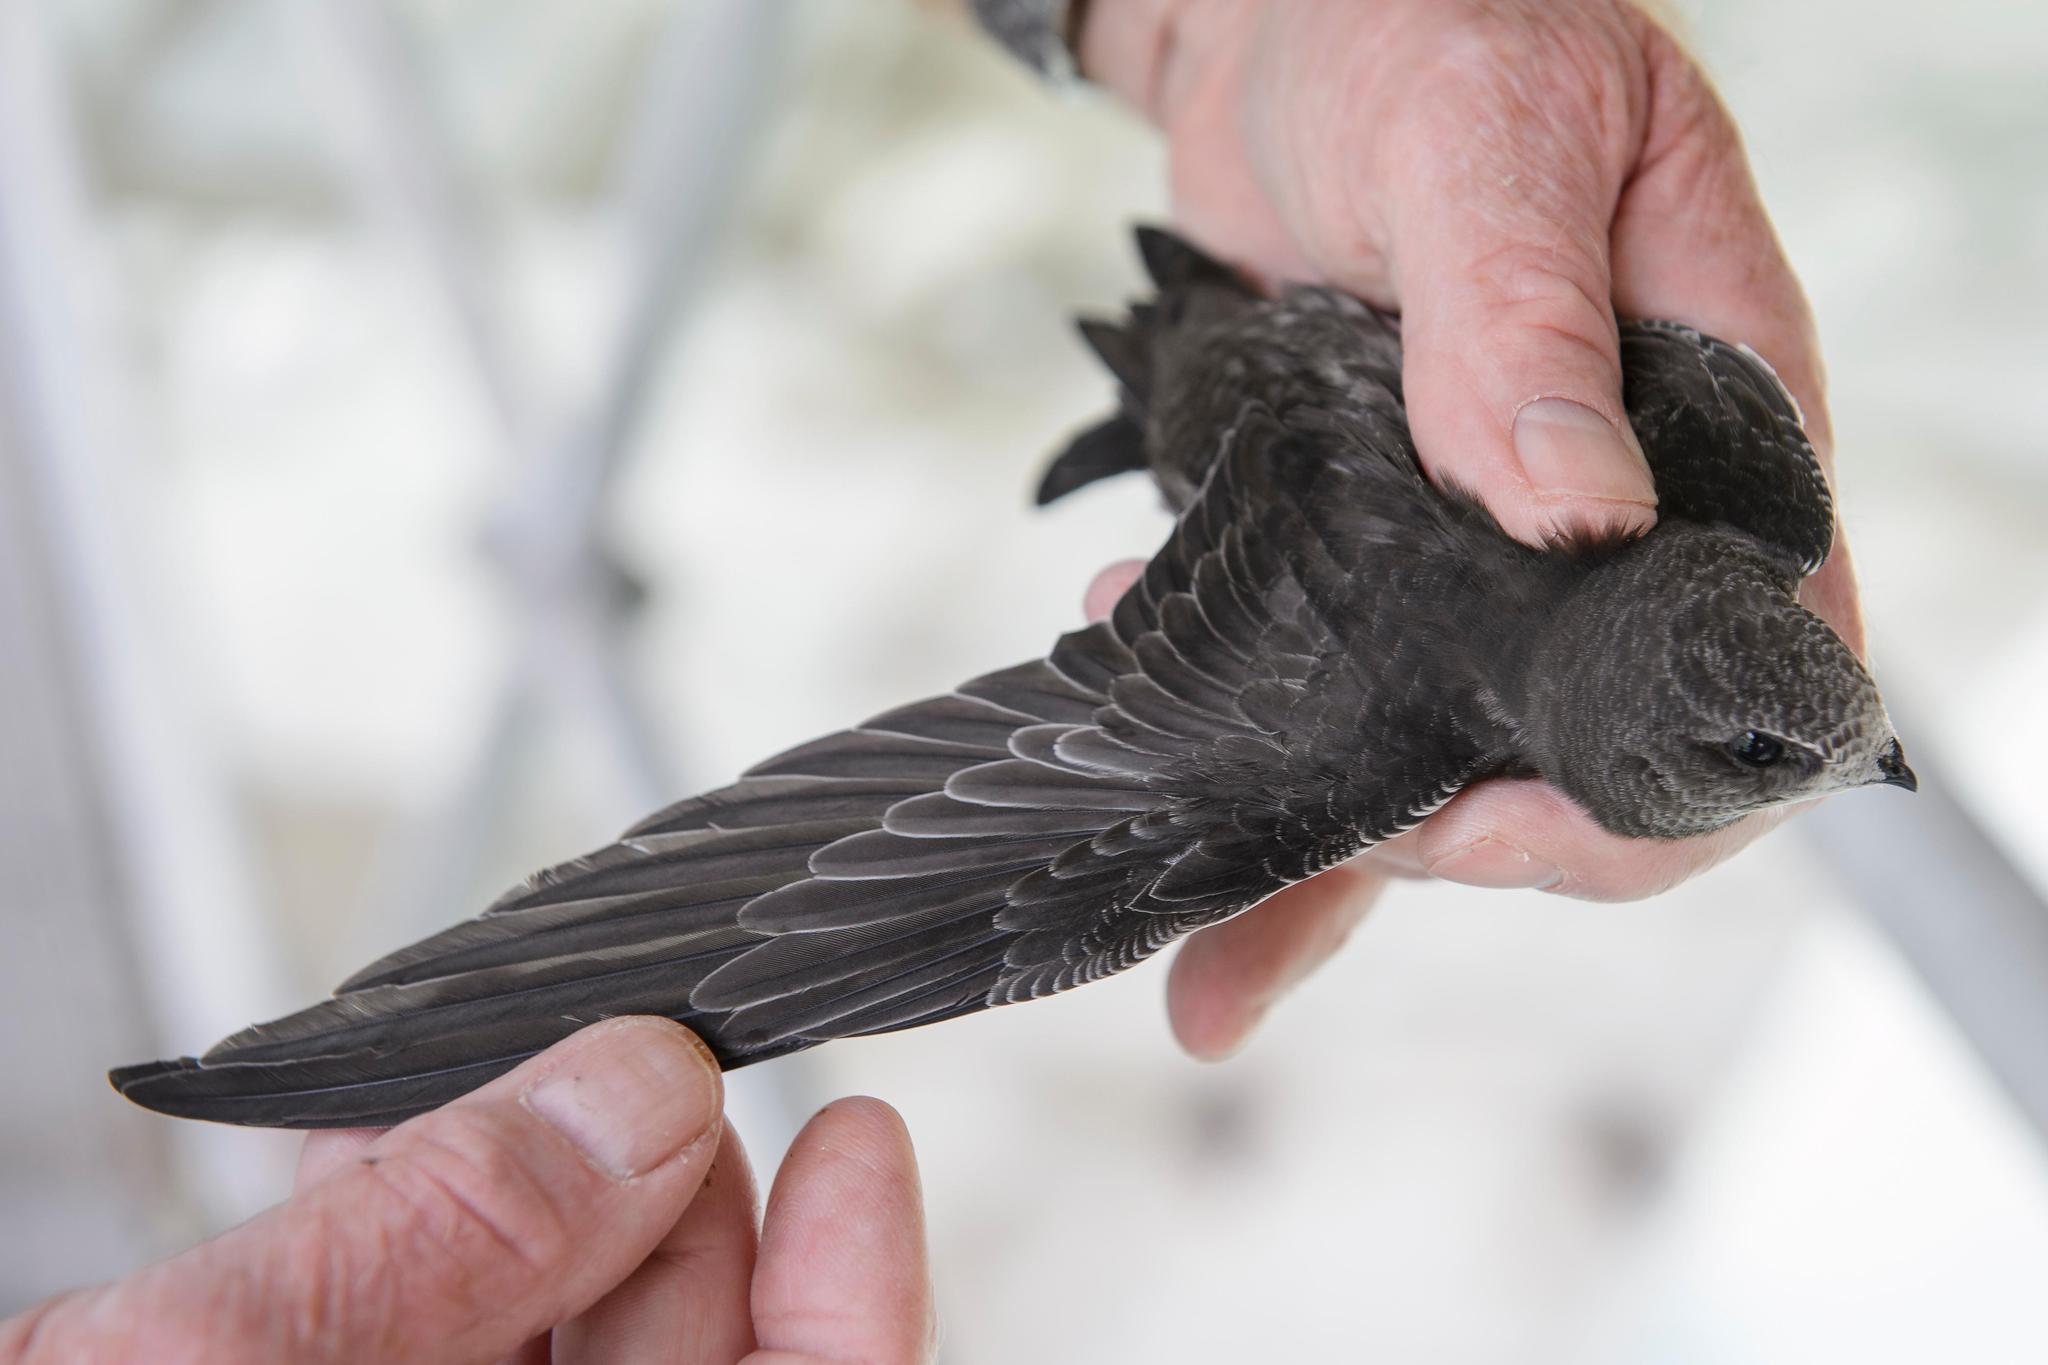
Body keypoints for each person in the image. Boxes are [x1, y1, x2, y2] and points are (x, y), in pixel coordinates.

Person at [2, 1, 1860, 1360]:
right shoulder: (1368, 721)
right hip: (1234, 368)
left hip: (1282, 328)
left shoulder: (1737, 476)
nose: (1840, 753)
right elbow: (904, 873)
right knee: (1047, 889)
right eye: (1777, 745)